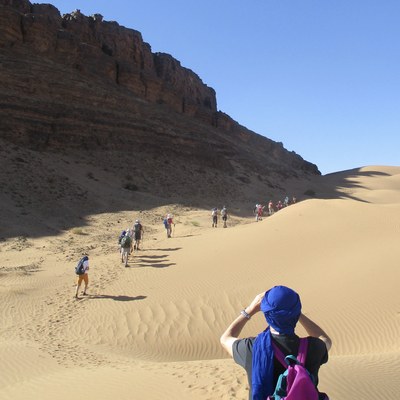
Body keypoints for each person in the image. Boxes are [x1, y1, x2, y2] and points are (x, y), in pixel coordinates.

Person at [220, 285, 332, 400]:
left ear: (266, 314)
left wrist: (250, 310)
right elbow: (325, 339)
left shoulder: (252, 348)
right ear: (296, 313)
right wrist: (296, 313)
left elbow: (225, 339)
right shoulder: (314, 348)